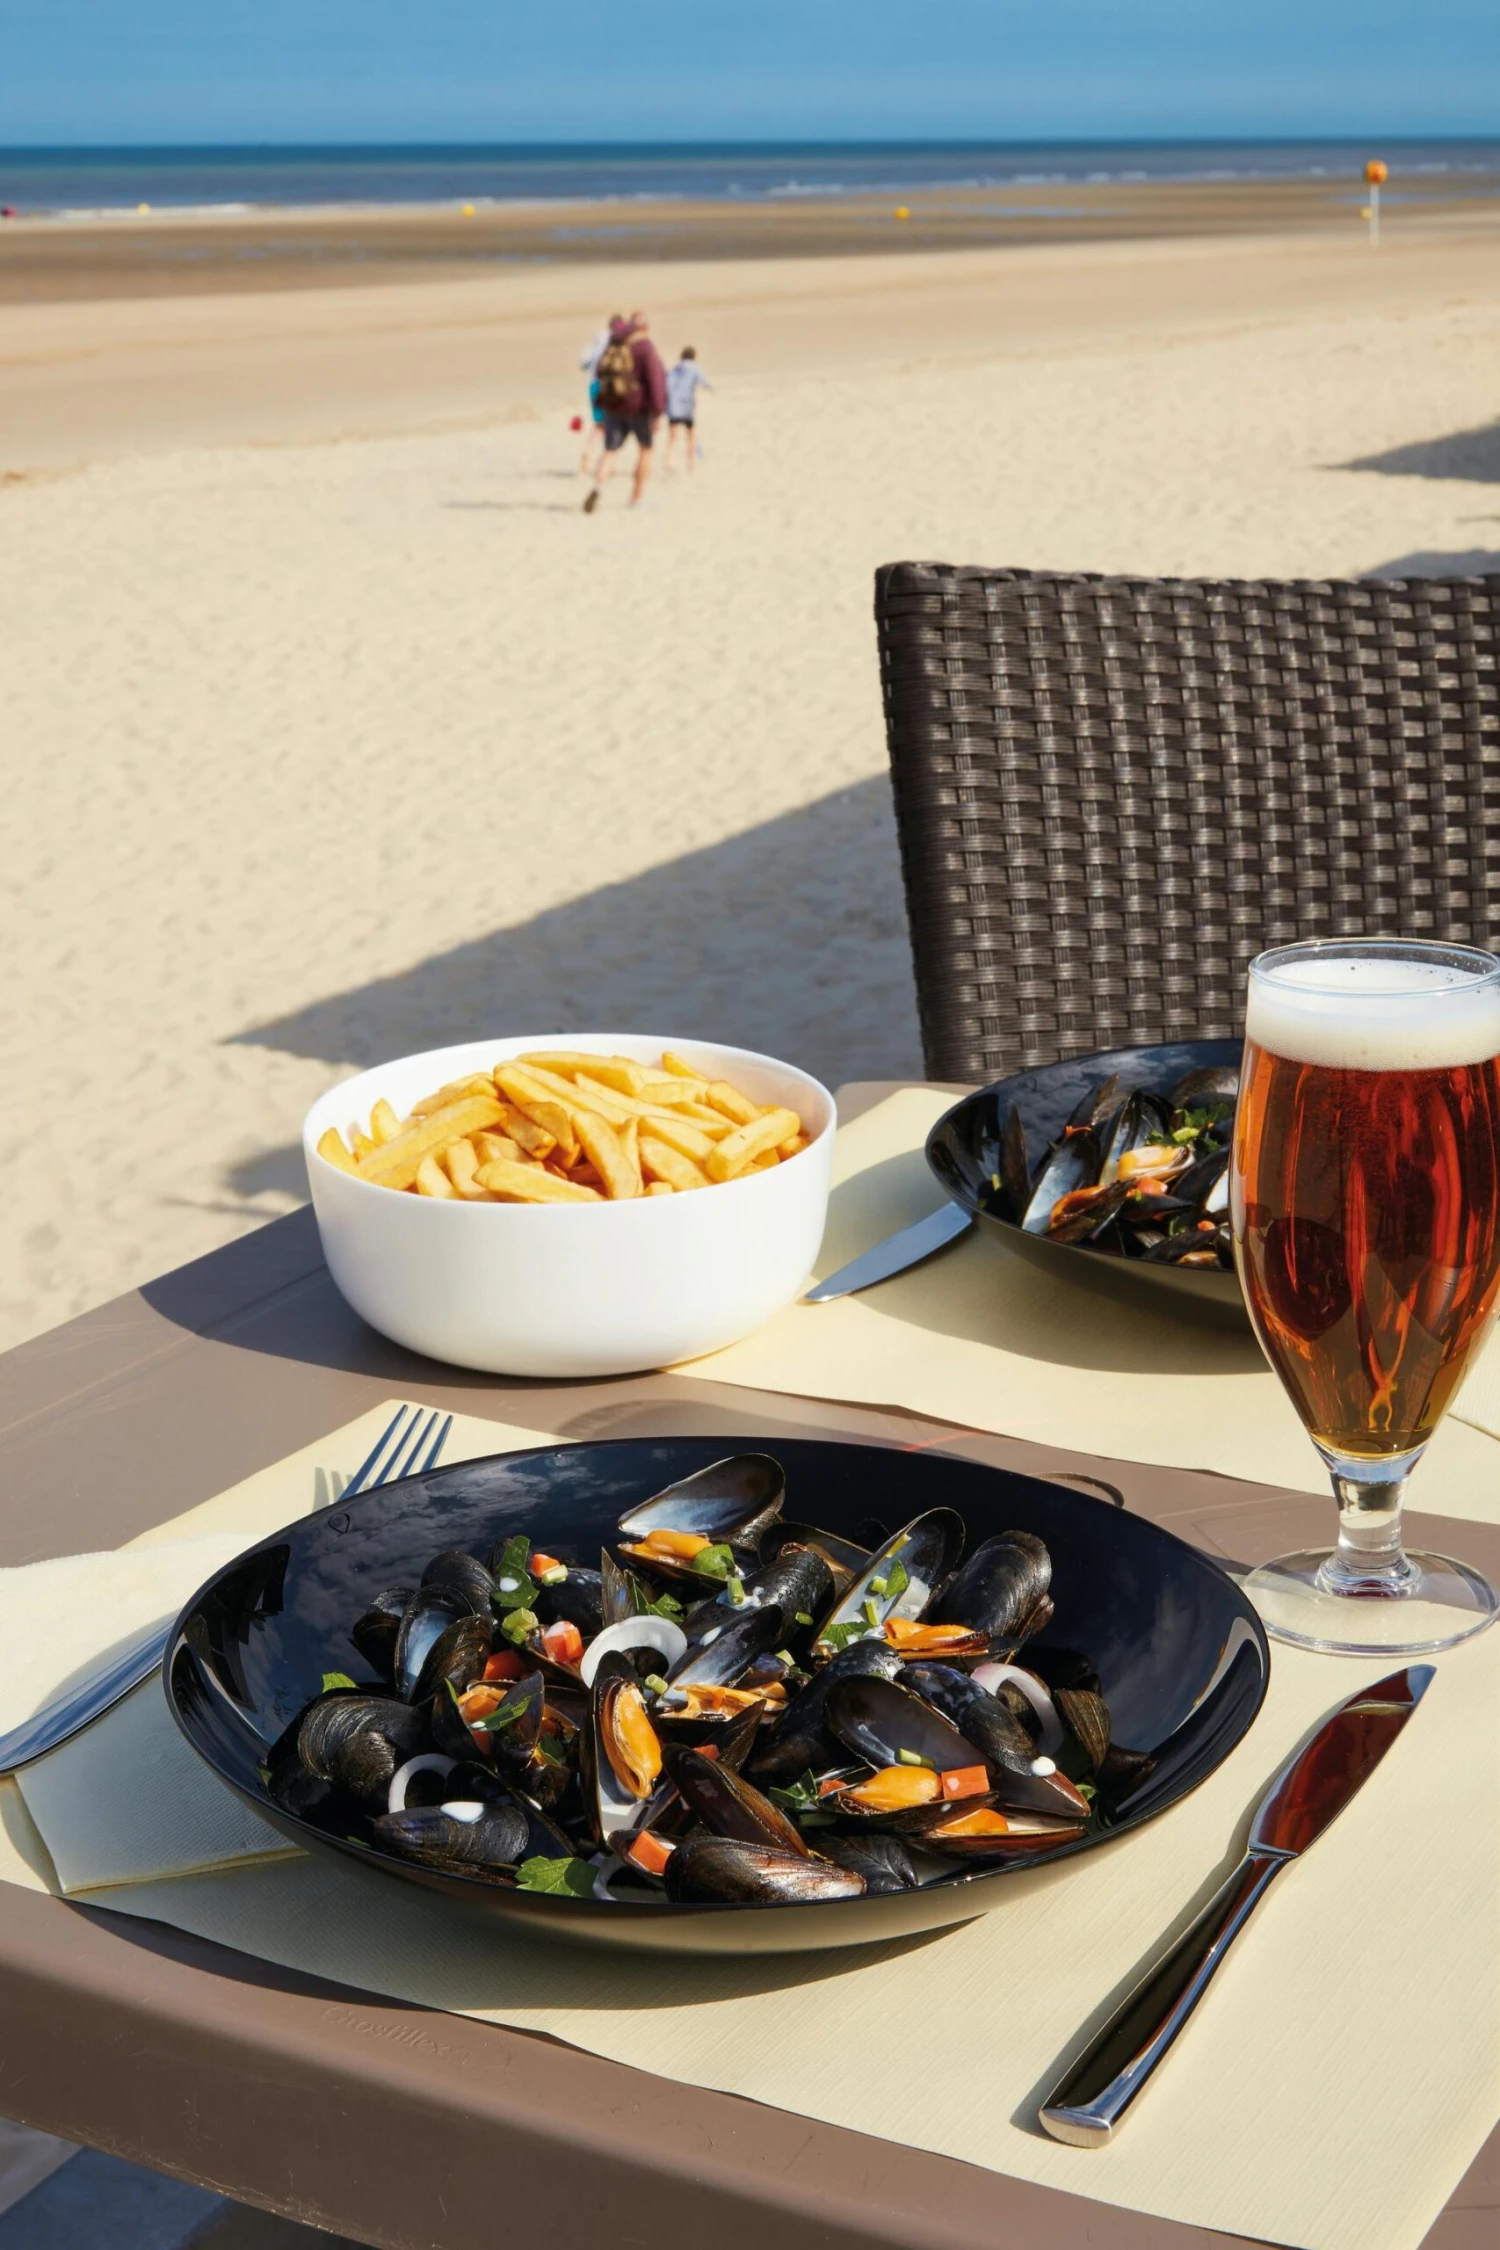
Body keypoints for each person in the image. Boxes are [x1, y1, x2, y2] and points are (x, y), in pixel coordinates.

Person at [583, 311, 666, 513]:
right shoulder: (645, 346)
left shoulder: (614, 343)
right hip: (639, 408)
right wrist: (657, 411)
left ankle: (598, 486)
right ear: (645, 327)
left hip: (613, 405)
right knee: (645, 449)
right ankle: (636, 498)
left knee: (610, 450)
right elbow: (655, 380)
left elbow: (600, 372)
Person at [576, 315, 619, 476]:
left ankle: (586, 456)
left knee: (598, 425)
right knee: (611, 426)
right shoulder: (616, 341)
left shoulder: (596, 340)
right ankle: (605, 464)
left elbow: (583, 363)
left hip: (593, 385)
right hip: (609, 386)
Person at [663, 346, 712, 473]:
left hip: (673, 407)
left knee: (672, 437)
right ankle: (691, 465)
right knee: (691, 437)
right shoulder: (693, 369)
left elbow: (667, 384)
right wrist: (712, 388)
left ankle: (668, 461)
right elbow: (704, 382)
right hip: (687, 408)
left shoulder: (674, 369)